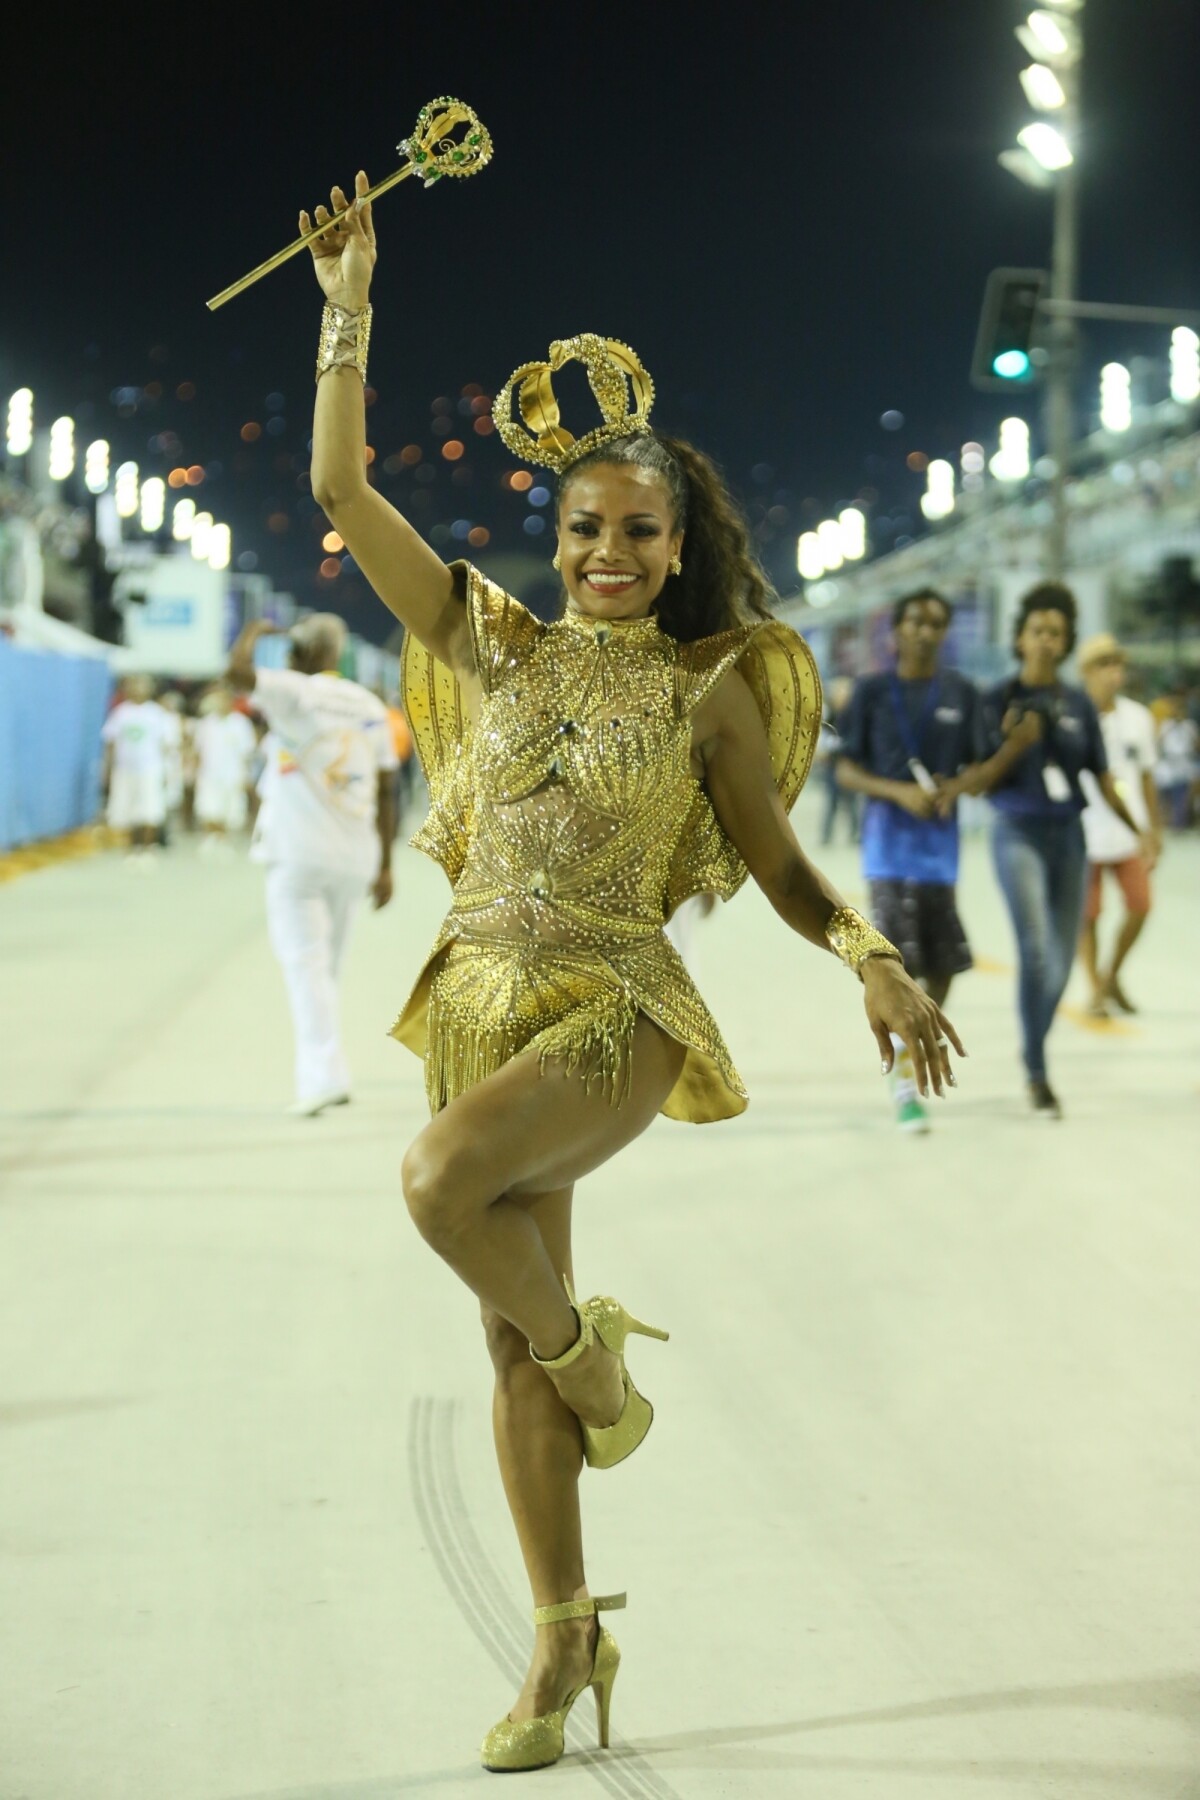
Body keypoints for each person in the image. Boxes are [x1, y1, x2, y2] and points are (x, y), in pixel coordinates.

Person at [298, 170, 964, 1773]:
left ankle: (598, 1367)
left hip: (622, 1009)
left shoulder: (713, 687)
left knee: (440, 1182)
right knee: (497, 1338)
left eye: (637, 532)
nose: (607, 550)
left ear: (678, 549)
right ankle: (564, 1646)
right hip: (473, 997)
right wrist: (347, 303)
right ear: (559, 534)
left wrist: (870, 956)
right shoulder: (485, 639)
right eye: (585, 527)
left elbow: (787, 867)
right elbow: (343, 492)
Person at [973, 584, 1150, 1119]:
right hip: (1017, 832)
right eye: (1037, 632)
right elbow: (979, 780)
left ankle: (1032, 1043)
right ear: (1020, 639)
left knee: (1063, 963)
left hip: (1069, 835)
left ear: (1066, 640)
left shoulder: (1076, 703)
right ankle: (1036, 1068)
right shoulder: (997, 699)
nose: (1047, 641)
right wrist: (1012, 746)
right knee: (1035, 950)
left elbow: (1101, 776)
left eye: (1056, 633)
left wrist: (1137, 829)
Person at [227, 611, 398, 1116]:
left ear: (297, 655)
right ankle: (321, 1070)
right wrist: (386, 865)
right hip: (356, 855)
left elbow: (235, 677)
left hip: (298, 853)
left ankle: (323, 1076)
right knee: (326, 968)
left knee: (305, 964)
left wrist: (256, 630)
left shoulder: (295, 691)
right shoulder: (368, 705)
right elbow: (388, 790)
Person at [836, 588, 985, 1133]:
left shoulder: (961, 691)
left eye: (938, 623)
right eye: (916, 621)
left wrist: (957, 786)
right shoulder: (873, 692)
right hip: (888, 852)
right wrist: (897, 793)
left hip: (940, 855)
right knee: (900, 964)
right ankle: (903, 1079)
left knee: (944, 964)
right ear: (896, 630)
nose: (926, 631)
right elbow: (845, 769)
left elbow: (981, 763)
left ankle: (911, 1040)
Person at [1077, 633, 1162, 1016]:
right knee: (1088, 915)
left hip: (1129, 832)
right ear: (1086, 672)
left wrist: (1154, 830)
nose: (1113, 673)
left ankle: (1112, 975)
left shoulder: (1139, 718)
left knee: (1141, 905)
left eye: (1117, 664)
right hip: (1084, 830)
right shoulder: (1074, 717)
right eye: (1104, 665)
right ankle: (1095, 988)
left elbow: (1146, 777)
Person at [101, 674, 174, 861]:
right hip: (125, 769)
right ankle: (130, 849)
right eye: (135, 684)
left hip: (150, 769)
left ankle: (147, 848)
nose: (138, 688)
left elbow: (165, 745)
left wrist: (166, 771)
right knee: (126, 811)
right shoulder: (121, 712)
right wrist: (108, 769)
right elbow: (111, 742)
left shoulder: (156, 713)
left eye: (142, 685)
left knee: (149, 810)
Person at [193, 684, 257, 848]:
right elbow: (199, 750)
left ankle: (224, 840)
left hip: (232, 773)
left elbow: (247, 753)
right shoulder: (206, 723)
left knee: (230, 810)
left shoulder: (241, 723)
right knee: (209, 807)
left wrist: (246, 776)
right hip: (209, 772)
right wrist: (195, 772)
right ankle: (212, 838)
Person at [817, 674, 860, 846]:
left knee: (851, 803)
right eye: (839, 691)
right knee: (831, 801)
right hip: (832, 764)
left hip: (848, 764)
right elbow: (821, 736)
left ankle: (856, 833)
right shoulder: (829, 716)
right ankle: (826, 834)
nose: (841, 694)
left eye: (845, 691)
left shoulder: (853, 715)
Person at [1153, 691, 1198, 832]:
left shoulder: (1189, 726)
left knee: (1182, 795)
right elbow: (1157, 743)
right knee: (1165, 795)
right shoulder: (1166, 725)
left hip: (1184, 763)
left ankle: (1180, 822)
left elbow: (1196, 745)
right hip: (1168, 764)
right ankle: (1165, 821)